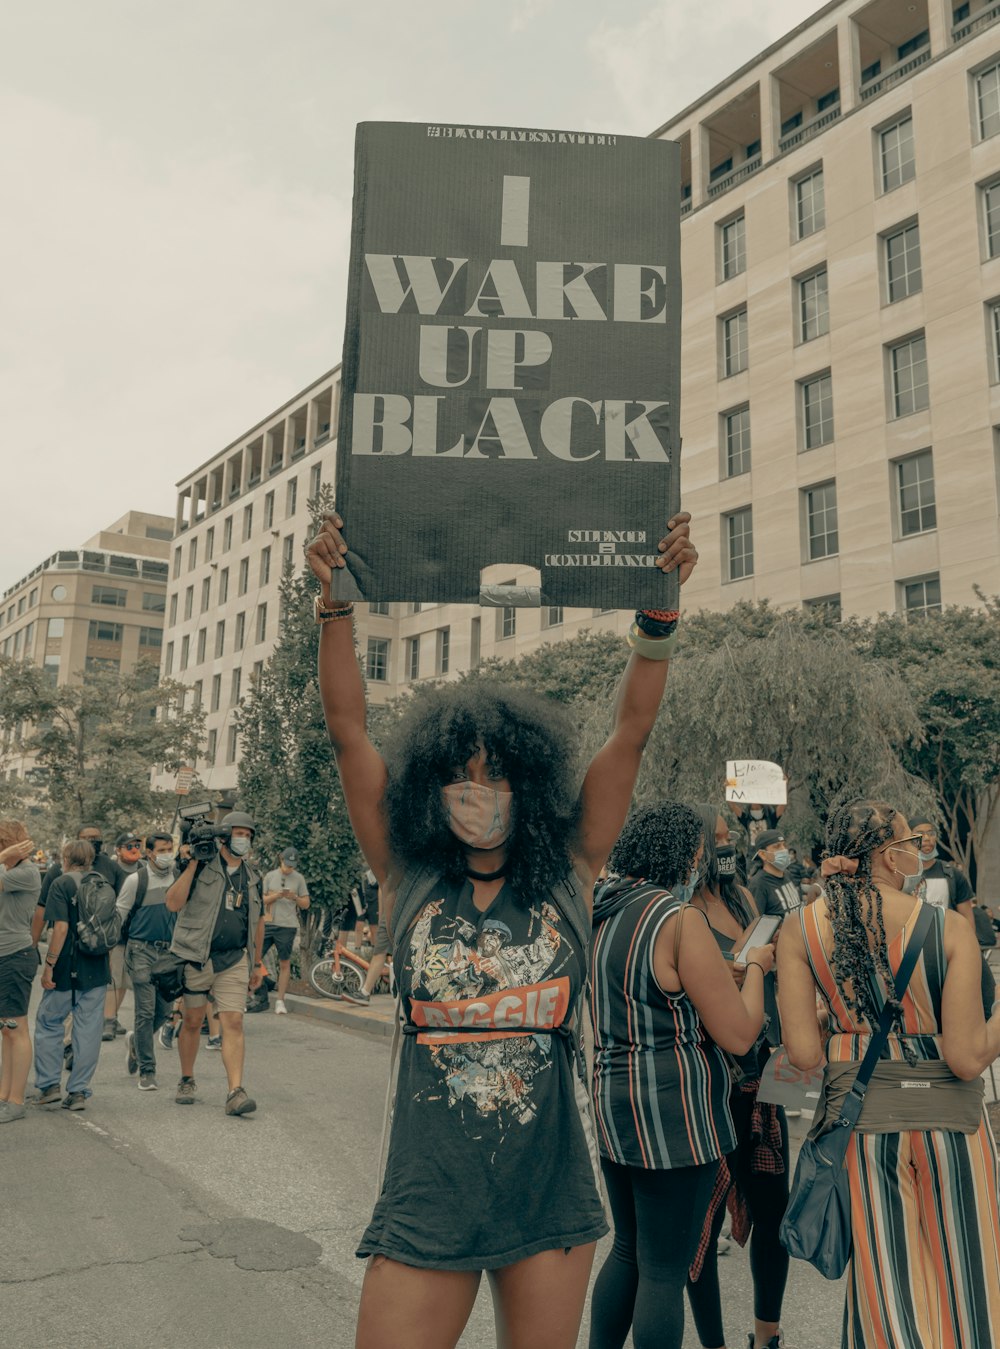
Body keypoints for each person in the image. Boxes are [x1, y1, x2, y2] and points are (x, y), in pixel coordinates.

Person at [306, 507, 698, 1349]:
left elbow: (631, 731)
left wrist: (658, 617)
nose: (478, 793)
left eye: (497, 777)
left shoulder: (568, 872)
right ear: (428, 790)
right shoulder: (405, 878)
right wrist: (334, 606)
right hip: (427, 1189)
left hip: (547, 1190)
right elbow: (348, 732)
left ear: (532, 786)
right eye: (459, 776)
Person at [778, 801, 1000, 1348]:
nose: (918, 852)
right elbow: (967, 1057)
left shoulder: (800, 929)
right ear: (886, 854)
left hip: (865, 1124)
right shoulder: (946, 927)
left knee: (887, 1281)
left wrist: (848, 1022)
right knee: (968, 1276)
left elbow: (804, 1053)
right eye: (909, 843)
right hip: (952, 1126)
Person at [588, 803, 776, 1349]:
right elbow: (740, 1033)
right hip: (674, 1116)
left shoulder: (604, 909)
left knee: (628, 1249)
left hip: (615, 1106)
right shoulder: (677, 918)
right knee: (665, 1270)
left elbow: (650, 986)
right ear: (686, 855)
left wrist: (723, 971)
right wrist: (758, 967)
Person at [682, 806, 789, 1349]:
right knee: (700, 1225)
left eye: (731, 838)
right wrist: (748, 966)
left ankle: (766, 1337)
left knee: (774, 1210)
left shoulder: (742, 897)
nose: (728, 849)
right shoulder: (680, 911)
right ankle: (714, 1343)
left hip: (763, 1070)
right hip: (709, 1082)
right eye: (718, 840)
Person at [165, 811, 264, 1115]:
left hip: (234, 959)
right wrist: (193, 862)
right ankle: (186, 1077)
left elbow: (258, 921)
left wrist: (258, 963)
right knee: (193, 1021)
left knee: (233, 1021)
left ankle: (235, 1091)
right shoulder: (200, 865)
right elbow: (173, 902)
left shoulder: (253, 877)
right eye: (238, 833)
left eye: (248, 835)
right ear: (223, 837)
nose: (242, 839)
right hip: (198, 957)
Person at [33, 840, 110, 1110]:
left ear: (66, 858)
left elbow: (61, 929)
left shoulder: (61, 884)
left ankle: (49, 1084)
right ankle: (78, 1091)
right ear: (90, 859)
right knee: (88, 1031)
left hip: (66, 965)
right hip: (97, 965)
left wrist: (49, 964)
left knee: (49, 1022)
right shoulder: (101, 882)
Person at [118, 833, 178, 1091]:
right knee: (145, 1011)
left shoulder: (180, 877)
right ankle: (147, 1070)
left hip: (170, 954)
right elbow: (120, 913)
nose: (167, 854)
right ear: (149, 853)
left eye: (170, 849)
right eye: (162, 849)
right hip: (140, 950)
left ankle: (136, 1043)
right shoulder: (136, 880)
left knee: (164, 1012)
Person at [0, 822, 42, 1123]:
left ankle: (16, 1101)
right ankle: (4, 1095)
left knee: (16, 1028)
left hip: (15, 956)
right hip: (6, 956)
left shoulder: (25, 874)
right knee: (6, 1030)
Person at [102, 831, 143, 1040]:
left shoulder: (144, 869)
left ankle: (112, 1016)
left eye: (137, 845)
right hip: (117, 932)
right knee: (114, 977)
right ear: (118, 850)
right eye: (129, 846)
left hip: (137, 932)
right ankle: (107, 1020)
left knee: (125, 979)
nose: (135, 849)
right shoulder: (112, 870)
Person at [261, 847, 309, 1015]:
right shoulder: (269, 876)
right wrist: (276, 896)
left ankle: (280, 1000)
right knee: (253, 959)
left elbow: (306, 904)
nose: (289, 868)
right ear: (280, 859)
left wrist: (294, 897)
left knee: (284, 962)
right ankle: (250, 994)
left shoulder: (299, 879)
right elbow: (261, 899)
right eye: (286, 864)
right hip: (268, 923)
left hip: (287, 925)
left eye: (292, 865)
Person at [909, 816, 975, 925]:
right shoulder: (900, 875)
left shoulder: (953, 874)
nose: (926, 838)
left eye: (931, 833)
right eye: (919, 833)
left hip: (946, 939)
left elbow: (967, 920)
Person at [748, 831, 801, 917]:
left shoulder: (787, 874)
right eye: (777, 846)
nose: (784, 850)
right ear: (763, 854)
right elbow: (755, 923)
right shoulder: (758, 884)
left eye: (784, 845)